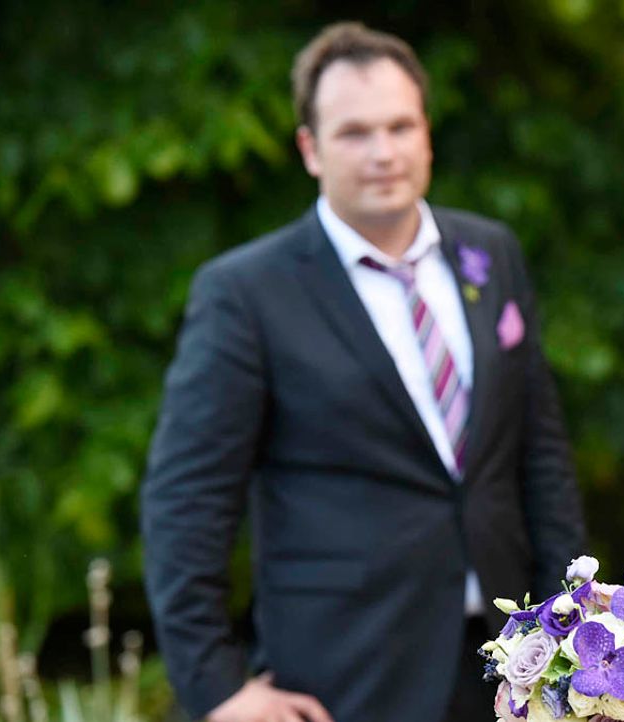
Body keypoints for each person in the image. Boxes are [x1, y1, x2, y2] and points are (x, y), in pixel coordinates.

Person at [140, 22, 585, 722]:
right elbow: (186, 501)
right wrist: (218, 688)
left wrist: (573, 626)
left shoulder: (490, 254)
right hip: (345, 675)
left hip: (512, 667)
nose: (384, 152)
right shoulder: (247, 293)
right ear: (310, 149)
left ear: (427, 134)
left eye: (400, 126)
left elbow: (540, 453)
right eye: (354, 133)